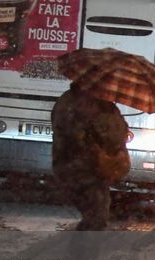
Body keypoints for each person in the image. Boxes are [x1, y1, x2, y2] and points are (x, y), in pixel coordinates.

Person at [50, 84, 130, 231]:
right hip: (84, 170)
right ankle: (83, 253)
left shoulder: (76, 101)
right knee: (96, 219)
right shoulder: (84, 104)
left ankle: (83, 252)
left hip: (85, 169)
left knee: (95, 218)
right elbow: (79, 137)